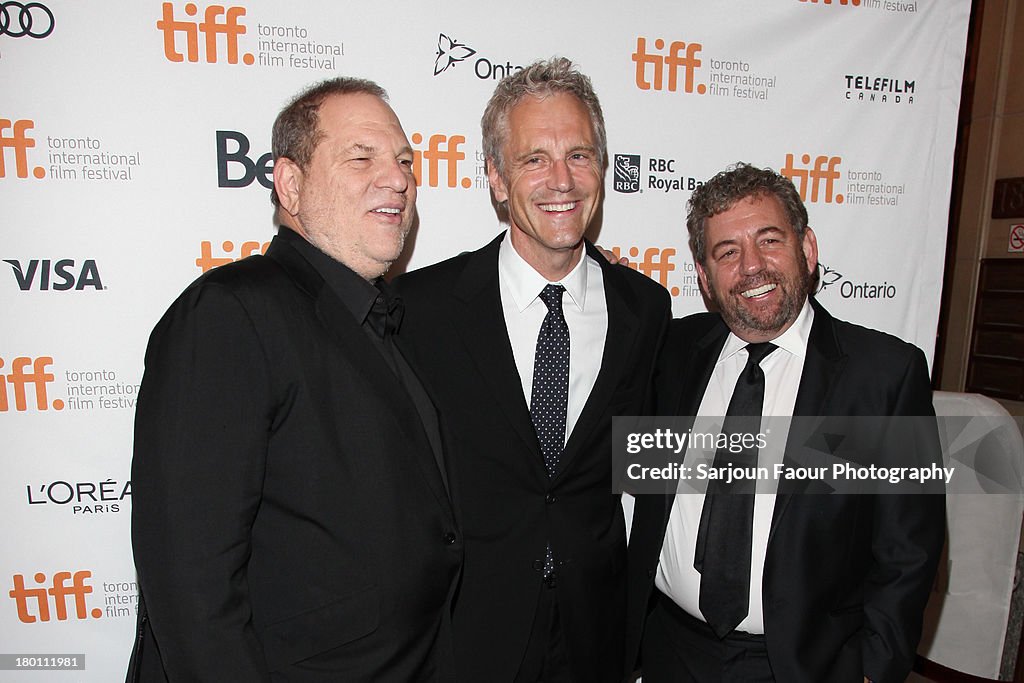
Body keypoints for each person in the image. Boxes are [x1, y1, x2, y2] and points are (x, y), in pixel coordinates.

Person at [127, 78, 461, 682]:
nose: (398, 179)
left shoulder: (384, 321)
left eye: (405, 161)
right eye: (362, 158)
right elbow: (191, 587)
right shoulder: (230, 313)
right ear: (290, 184)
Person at [396, 57, 671, 682]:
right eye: (534, 159)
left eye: (579, 155)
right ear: (496, 177)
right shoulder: (424, 308)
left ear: (602, 167)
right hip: (466, 633)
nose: (562, 180)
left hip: (595, 634)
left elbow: (644, 464)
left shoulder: (645, 308)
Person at [624, 163, 945, 683]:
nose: (752, 266)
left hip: (805, 666)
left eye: (769, 240)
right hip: (669, 652)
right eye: (727, 251)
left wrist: (872, 671)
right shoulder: (673, 353)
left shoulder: (883, 376)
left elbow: (910, 552)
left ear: (808, 249)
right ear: (704, 277)